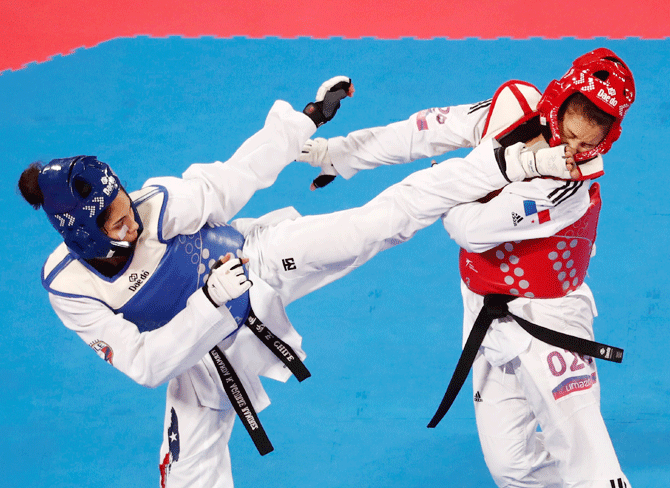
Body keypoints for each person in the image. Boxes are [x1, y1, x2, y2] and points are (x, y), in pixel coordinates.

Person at [18, 73, 575, 487]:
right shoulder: (71, 288)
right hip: (199, 350)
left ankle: (506, 164)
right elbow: (145, 364)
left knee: (375, 226)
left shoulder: (160, 204)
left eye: (123, 201)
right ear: (81, 235)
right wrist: (210, 303)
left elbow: (237, 176)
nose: (131, 218)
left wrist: (305, 122)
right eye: (115, 220)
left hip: (258, 264)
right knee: (188, 477)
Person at [298, 48, 635, 487]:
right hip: (485, 311)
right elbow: (422, 133)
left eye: (587, 143)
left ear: (608, 138)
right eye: (568, 133)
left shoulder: (571, 190)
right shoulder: (512, 106)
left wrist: (449, 180)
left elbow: (469, 230)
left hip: (550, 318)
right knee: (513, 466)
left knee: (591, 464)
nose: (571, 150)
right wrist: (339, 154)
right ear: (558, 100)